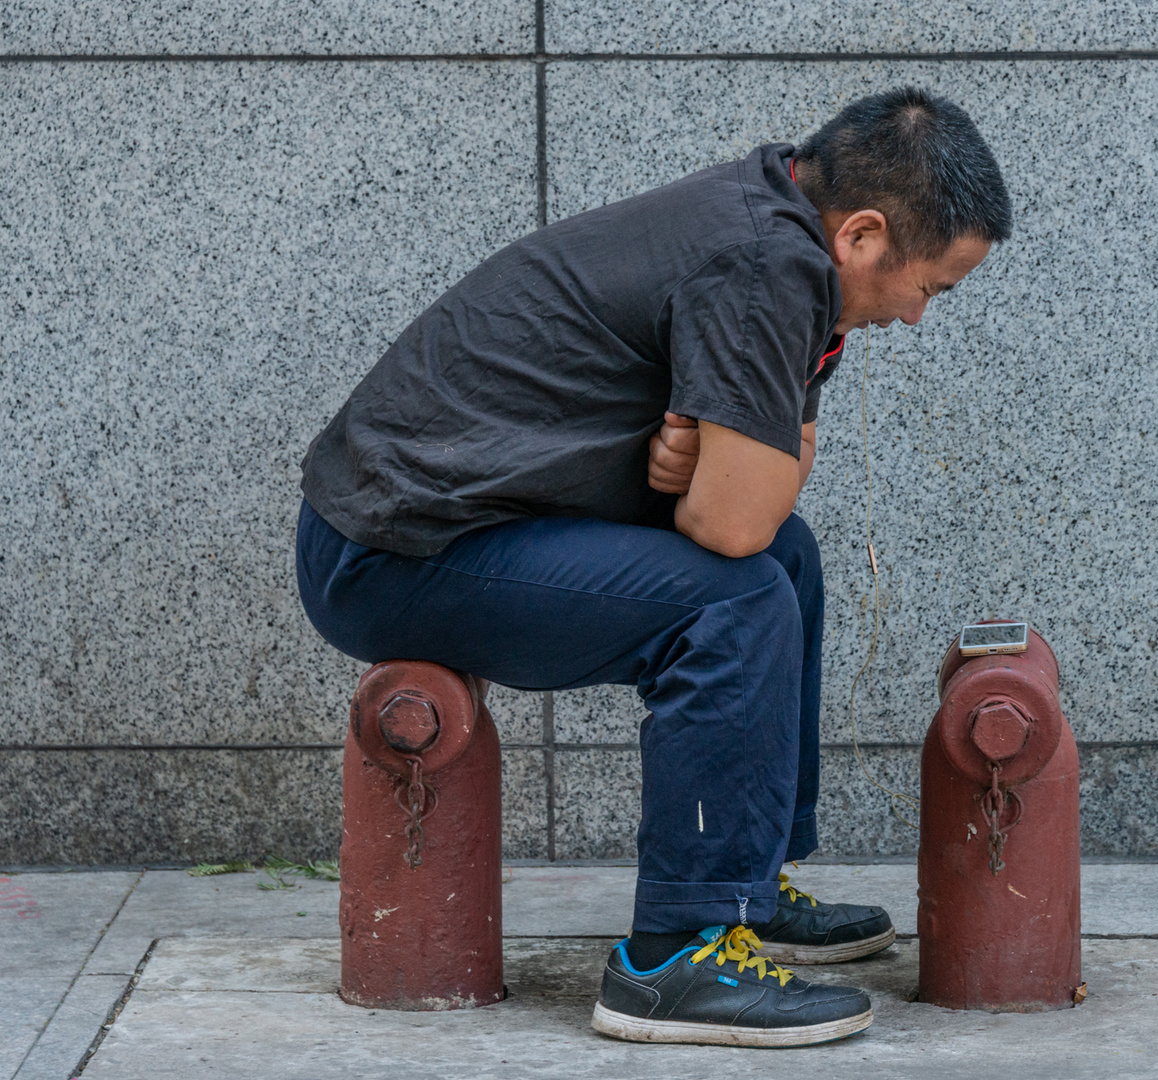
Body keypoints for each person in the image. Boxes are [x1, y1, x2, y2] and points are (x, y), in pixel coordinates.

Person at [296, 86, 1012, 1047]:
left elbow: (766, 493)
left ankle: (745, 887)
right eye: (932, 286)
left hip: (467, 523)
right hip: (387, 551)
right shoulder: (765, 263)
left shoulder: (785, 227)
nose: (920, 318)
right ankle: (672, 955)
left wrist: (709, 468)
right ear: (865, 234)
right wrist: (706, 477)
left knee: (784, 565)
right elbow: (727, 524)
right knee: (738, 597)